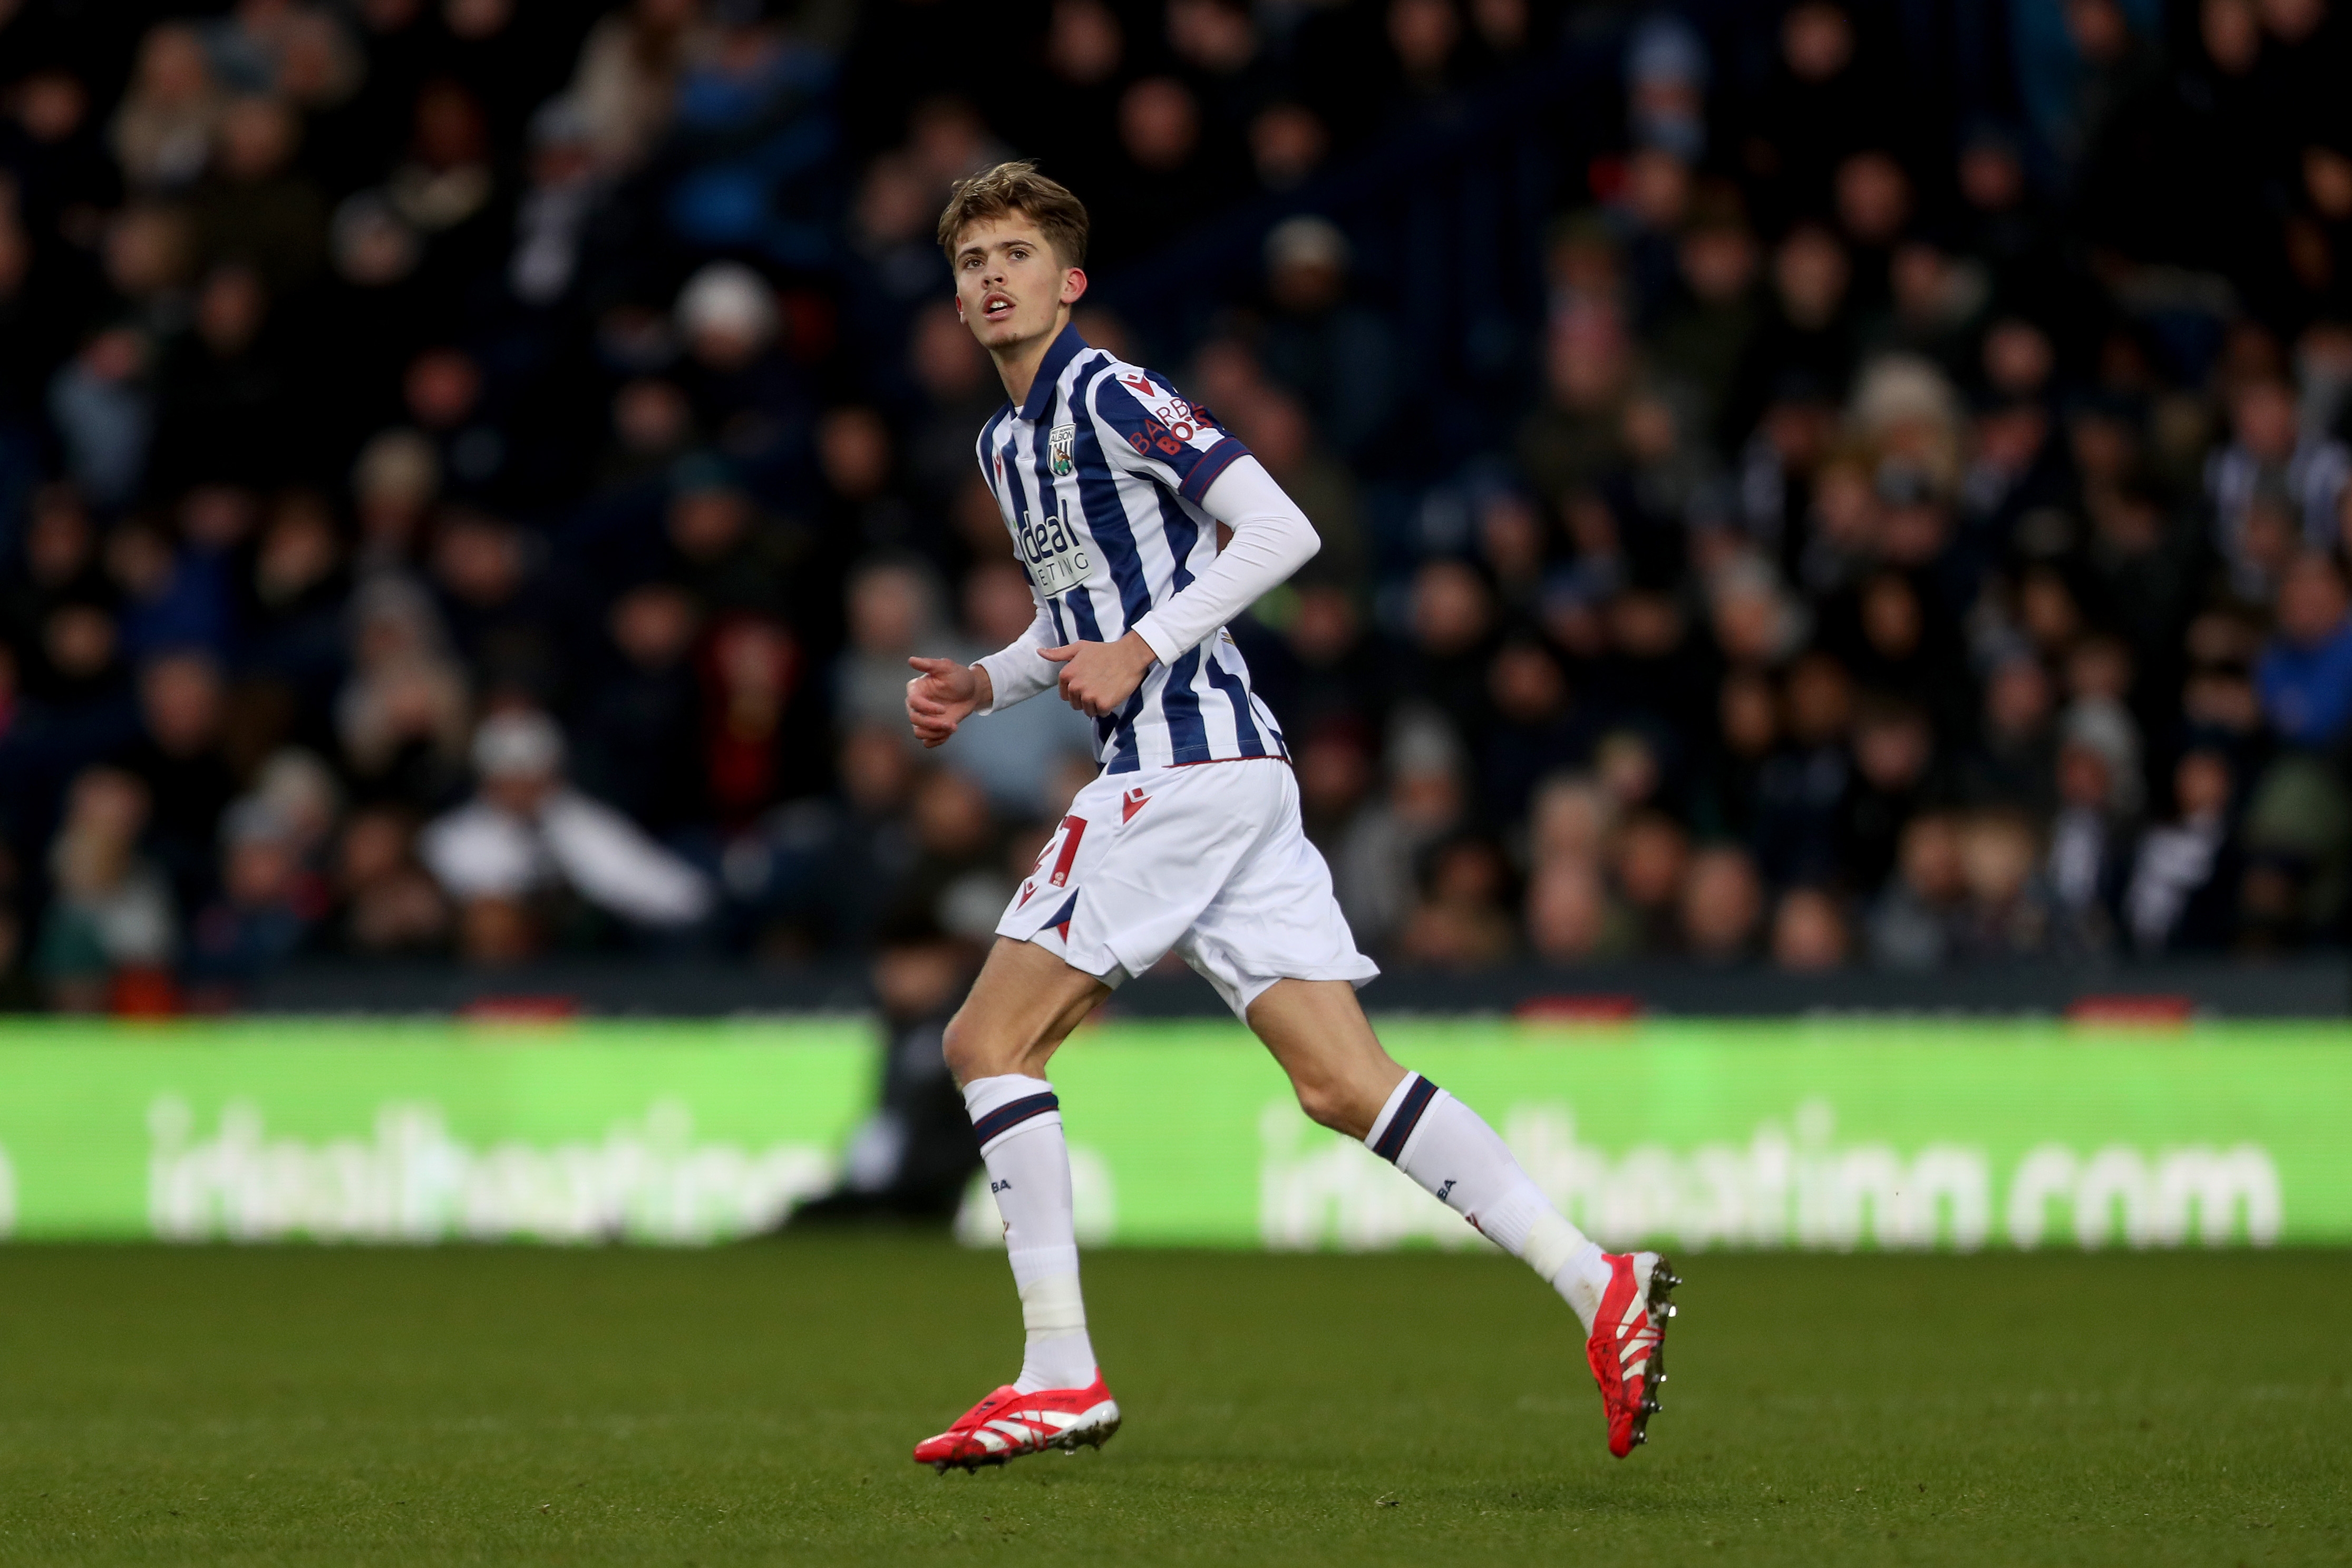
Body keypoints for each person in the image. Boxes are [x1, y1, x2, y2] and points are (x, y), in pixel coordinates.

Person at [899, 163, 1680, 1472]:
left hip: (1177, 767)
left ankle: (1059, 1373)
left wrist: (1144, 647)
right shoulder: (1004, 442)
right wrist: (992, 679)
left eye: (1015, 253)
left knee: (987, 1041)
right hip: (1232, 780)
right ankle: (1595, 1285)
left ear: (1068, 281)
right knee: (1341, 1083)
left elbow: (1277, 526)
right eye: (971, 257)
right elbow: (1074, 617)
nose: (990, 276)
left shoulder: (1105, 387)